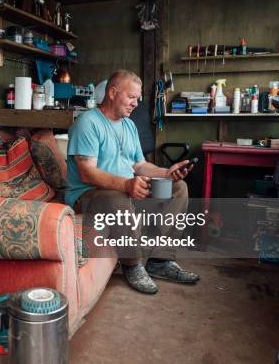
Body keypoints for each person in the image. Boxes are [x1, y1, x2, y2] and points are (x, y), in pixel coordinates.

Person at [65, 69, 200, 294]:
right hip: (89, 194)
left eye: (138, 98)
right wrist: (127, 185)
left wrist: (167, 173)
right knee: (115, 197)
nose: (136, 103)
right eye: (131, 97)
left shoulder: (128, 125)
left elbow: (139, 165)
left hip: (123, 189)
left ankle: (160, 260)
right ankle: (132, 264)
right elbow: (87, 173)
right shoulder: (88, 123)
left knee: (178, 188)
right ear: (112, 92)